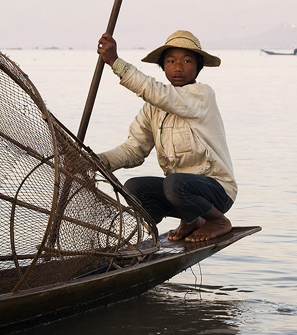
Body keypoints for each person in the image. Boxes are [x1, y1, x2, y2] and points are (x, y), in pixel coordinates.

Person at [95, 30, 236, 242]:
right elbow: (134, 149)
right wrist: (98, 161)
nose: (178, 67)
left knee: (174, 184)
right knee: (134, 188)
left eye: (187, 61)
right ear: (163, 66)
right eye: (171, 61)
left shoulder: (202, 95)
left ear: (198, 67)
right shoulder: (153, 108)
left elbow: (156, 92)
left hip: (216, 192)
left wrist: (115, 62)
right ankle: (191, 220)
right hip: (181, 192)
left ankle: (217, 221)